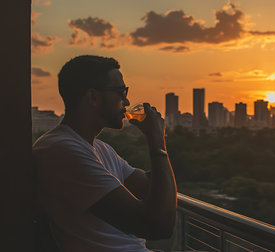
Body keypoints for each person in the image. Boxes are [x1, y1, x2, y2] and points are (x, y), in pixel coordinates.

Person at [32, 55, 177, 252]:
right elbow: (157, 226)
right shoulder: (62, 151)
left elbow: (149, 185)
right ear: (93, 97)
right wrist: (157, 142)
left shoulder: (101, 149)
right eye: (120, 92)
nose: (126, 100)